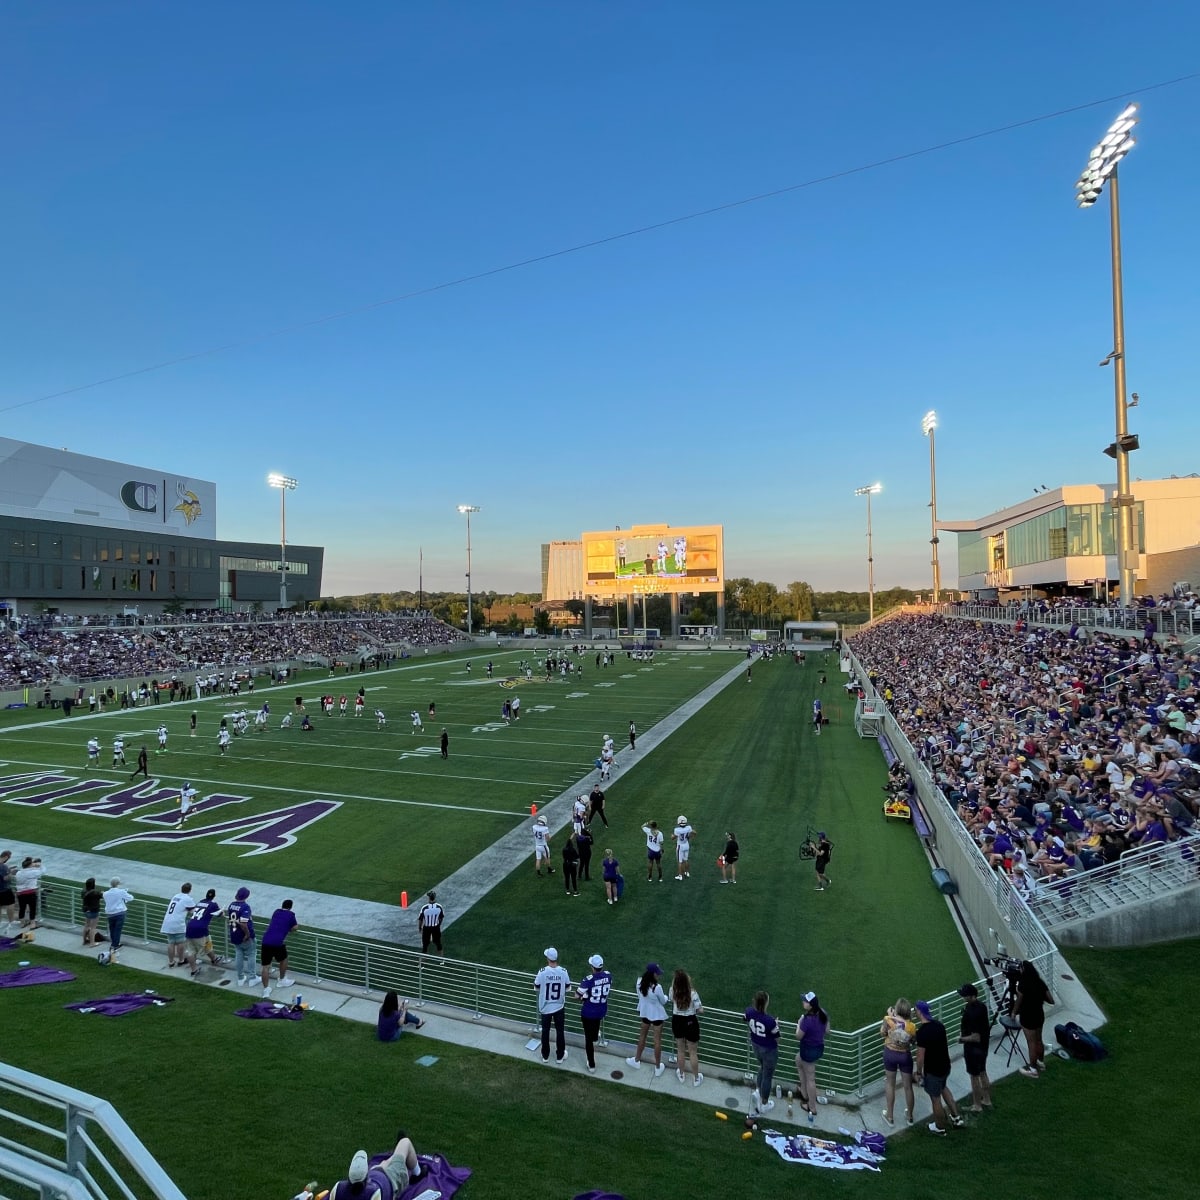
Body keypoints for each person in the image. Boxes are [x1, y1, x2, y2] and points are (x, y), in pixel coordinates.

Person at [913, 1000, 965, 1134]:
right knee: (944, 1088)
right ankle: (956, 1117)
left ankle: (939, 1127)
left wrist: (918, 1072)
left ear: (919, 1012)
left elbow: (920, 1057)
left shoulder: (922, 1033)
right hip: (945, 1066)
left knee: (935, 1099)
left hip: (933, 1070)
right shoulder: (939, 1026)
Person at [330, 1135, 422, 1199]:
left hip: (378, 1174)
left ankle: (395, 1153)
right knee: (405, 1143)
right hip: (391, 1180)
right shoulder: (373, 1193)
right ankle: (418, 1174)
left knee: (385, 1163)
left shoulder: (338, 1188)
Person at [879, 997, 917, 1127]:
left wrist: (890, 1017)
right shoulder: (911, 1026)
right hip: (905, 1056)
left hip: (890, 1054)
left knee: (890, 1084)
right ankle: (910, 1116)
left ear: (897, 1009)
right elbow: (913, 1041)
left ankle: (890, 1116)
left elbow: (882, 1034)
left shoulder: (888, 1020)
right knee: (908, 1086)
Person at [1014, 960, 1055, 1077]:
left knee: (1031, 1043)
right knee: (1038, 1040)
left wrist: (1013, 1013)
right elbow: (1051, 1000)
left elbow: (1018, 1001)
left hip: (1027, 1016)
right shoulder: (1039, 982)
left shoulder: (1022, 984)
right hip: (1039, 1015)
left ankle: (1032, 1070)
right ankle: (1041, 1063)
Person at [626, 963, 668, 1075]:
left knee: (642, 1036)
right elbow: (663, 1001)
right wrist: (666, 997)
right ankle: (658, 1067)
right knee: (657, 1041)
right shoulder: (657, 987)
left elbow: (640, 996)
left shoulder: (639, 982)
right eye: (657, 973)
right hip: (657, 1016)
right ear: (653, 974)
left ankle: (636, 1060)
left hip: (645, 1014)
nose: (658, 975)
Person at [957, 982, 993, 1111]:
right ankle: (987, 1100)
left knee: (974, 1076)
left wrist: (961, 1039)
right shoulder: (982, 1006)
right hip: (984, 1046)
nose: (963, 997)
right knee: (983, 1072)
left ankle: (977, 1105)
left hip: (973, 1049)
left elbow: (975, 1037)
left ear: (971, 996)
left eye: (965, 995)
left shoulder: (972, 1013)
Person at [744, 990, 781, 1112]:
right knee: (767, 1076)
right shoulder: (770, 1021)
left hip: (756, 1046)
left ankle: (757, 1091)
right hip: (769, 1049)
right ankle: (764, 1103)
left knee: (761, 1067)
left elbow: (745, 1018)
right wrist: (776, 1024)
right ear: (765, 1003)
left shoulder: (749, 1011)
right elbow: (778, 1038)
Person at [795, 991, 828, 1124]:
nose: (803, 1002)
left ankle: (812, 1106)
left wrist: (799, 1023)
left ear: (810, 1005)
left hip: (808, 1051)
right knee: (797, 1060)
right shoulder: (823, 1013)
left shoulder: (806, 1020)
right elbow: (828, 1031)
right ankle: (804, 1091)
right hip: (818, 1049)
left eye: (805, 1001)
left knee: (810, 1079)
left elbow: (798, 1036)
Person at [576, 952, 612, 1074]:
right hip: (601, 1009)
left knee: (588, 1039)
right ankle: (596, 1036)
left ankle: (591, 1064)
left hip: (588, 1012)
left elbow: (577, 995)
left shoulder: (588, 979)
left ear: (592, 967)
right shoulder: (608, 975)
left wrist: (583, 997)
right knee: (595, 1027)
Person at [534, 947, 570, 1064]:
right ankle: (560, 1056)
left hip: (545, 1007)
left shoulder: (542, 971)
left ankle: (545, 1056)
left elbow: (536, 987)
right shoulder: (563, 971)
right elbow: (568, 988)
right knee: (560, 1031)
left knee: (545, 1031)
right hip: (559, 1006)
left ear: (548, 958)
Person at [670, 968, 704, 1087]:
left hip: (677, 1021)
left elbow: (671, 999)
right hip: (690, 1021)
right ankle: (696, 1078)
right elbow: (700, 1009)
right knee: (693, 1052)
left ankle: (681, 1074)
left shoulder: (672, 990)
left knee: (680, 1050)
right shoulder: (693, 993)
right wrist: (699, 1009)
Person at [260, 898, 298, 998]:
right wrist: (288, 929)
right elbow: (295, 927)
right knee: (284, 959)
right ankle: (282, 980)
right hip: (277, 942)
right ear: (290, 907)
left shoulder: (276, 912)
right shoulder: (291, 914)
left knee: (265, 966)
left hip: (266, 940)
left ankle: (266, 990)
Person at [185, 888, 224, 973]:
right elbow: (220, 914)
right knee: (196, 950)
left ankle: (214, 959)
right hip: (200, 928)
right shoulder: (213, 904)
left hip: (190, 926)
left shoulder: (200, 901)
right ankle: (194, 969)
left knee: (205, 943)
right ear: (214, 896)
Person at [227, 886, 256, 986]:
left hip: (234, 933)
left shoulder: (231, 905)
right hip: (243, 935)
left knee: (239, 955)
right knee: (251, 954)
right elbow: (243, 923)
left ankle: (240, 977)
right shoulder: (245, 907)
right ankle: (252, 978)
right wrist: (247, 934)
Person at [161, 881, 194, 967]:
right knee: (180, 942)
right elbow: (193, 910)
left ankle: (171, 961)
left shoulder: (175, 896)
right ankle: (181, 960)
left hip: (168, 921)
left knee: (171, 942)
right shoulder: (187, 899)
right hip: (177, 922)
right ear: (190, 890)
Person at [103, 877, 134, 962]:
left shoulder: (106, 893)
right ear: (118, 884)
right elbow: (131, 898)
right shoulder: (120, 892)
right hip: (120, 913)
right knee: (117, 930)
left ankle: (114, 944)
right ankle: (114, 947)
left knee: (112, 930)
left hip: (110, 914)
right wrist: (124, 893)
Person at [15, 857, 44, 930]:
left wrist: (32, 864)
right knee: (32, 909)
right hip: (30, 893)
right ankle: (32, 924)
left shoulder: (18, 873)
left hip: (20, 893)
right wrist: (39, 865)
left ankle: (22, 923)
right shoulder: (32, 872)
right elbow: (43, 871)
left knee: (22, 908)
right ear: (30, 865)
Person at [418, 891, 444, 959]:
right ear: (434, 897)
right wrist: (439, 925)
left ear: (429, 898)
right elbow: (441, 917)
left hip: (427, 927)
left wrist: (420, 928)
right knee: (438, 942)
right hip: (436, 927)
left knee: (425, 944)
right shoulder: (439, 907)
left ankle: (424, 959)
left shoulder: (424, 908)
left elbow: (420, 919)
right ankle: (441, 959)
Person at [81, 877, 104, 947]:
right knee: (93, 928)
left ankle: (84, 941)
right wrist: (102, 892)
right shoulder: (95, 892)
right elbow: (101, 896)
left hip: (86, 910)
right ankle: (92, 943)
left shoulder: (83, 891)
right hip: (93, 911)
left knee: (86, 926)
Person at [672, 815, 695, 881]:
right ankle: (687, 872)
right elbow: (694, 833)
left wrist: (672, 836)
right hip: (686, 844)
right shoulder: (688, 827)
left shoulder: (677, 830)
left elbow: (673, 838)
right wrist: (690, 837)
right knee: (686, 860)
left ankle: (680, 875)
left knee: (680, 861)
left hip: (680, 846)